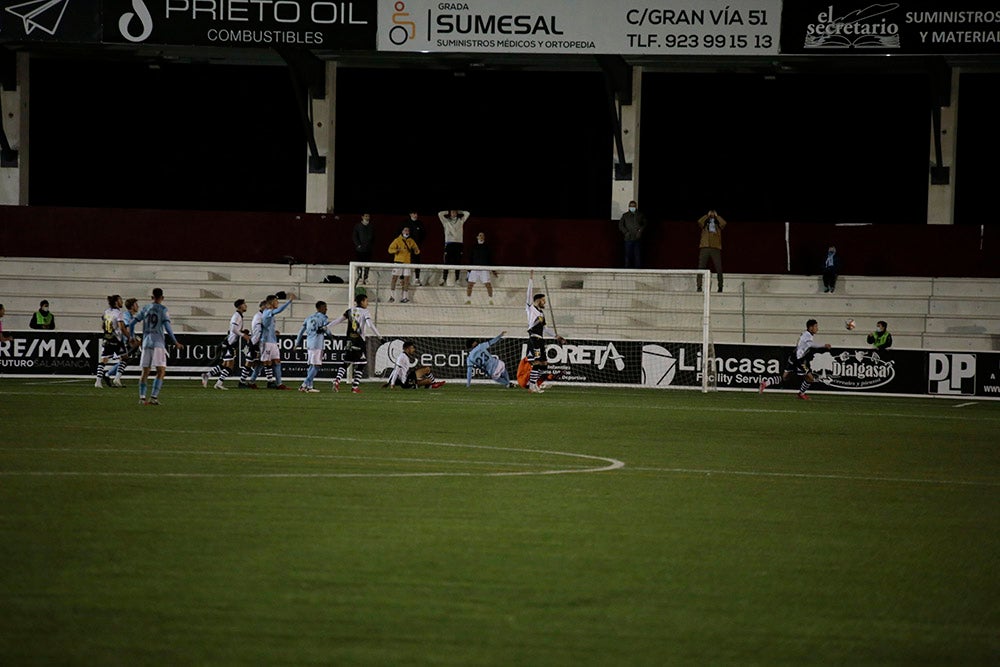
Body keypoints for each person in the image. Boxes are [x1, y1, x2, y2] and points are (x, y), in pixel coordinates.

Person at [129, 287, 184, 405]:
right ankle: (154, 397)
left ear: (152, 297)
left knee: (145, 371)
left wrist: (132, 337)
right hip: (158, 342)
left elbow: (132, 324)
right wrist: (175, 341)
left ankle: (142, 397)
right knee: (161, 370)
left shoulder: (145, 308)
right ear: (162, 297)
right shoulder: (163, 309)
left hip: (146, 343)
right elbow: (167, 327)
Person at [759, 319, 831, 400]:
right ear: (810, 327)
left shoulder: (806, 334)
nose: (817, 328)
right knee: (810, 378)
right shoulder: (807, 335)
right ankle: (801, 394)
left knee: (785, 377)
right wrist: (824, 345)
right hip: (799, 359)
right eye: (816, 326)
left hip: (794, 357)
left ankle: (765, 383)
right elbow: (811, 345)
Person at [328, 292, 381, 394]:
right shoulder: (365, 312)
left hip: (349, 341)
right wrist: (380, 337)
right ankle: (355, 387)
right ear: (361, 302)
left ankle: (337, 380)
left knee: (347, 361)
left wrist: (327, 327)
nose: (367, 303)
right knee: (362, 363)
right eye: (366, 301)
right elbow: (370, 325)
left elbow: (338, 320)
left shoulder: (349, 311)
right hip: (359, 341)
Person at [525, 270, 567, 394]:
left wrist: (556, 336)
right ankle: (532, 385)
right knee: (537, 362)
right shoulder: (531, 309)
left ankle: (533, 384)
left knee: (544, 363)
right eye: (543, 300)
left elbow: (545, 328)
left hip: (541, 339)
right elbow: (528, 295)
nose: (544, 302)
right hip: (534, 339)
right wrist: (531, 279)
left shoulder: (542, 314)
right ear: (538, 300)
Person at [202, 299, 250, 390]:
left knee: (225, 364)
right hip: (230, 344)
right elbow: (233, 329)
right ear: (240, 306)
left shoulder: (238, 316)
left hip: (230, 343)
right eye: (244, 304)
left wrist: (242, 332)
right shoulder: (237, 316)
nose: (246, 306)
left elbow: (235, 330)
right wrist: (243, 335)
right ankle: (218, 383)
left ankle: (207, 375)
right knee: (230, 365)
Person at [260, 292, 296, 389]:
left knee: (277, 361)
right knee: (266, 362)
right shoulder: (268, 312)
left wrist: (273, 331)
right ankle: (269, 382)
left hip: (272, 341)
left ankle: (279, 383)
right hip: (266, 341)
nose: (277, 303)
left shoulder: (269, 313)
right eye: (276, 301)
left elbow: (267, 326)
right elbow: (279, 310)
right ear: (271, 302)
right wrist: (289, 301)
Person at [293, 300, 331, 393]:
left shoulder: (309, 318)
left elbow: (301, 331)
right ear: (320, 308)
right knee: (316, 366)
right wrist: (332, 337)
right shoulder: (323, 318)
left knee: (311, 365)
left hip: (309, 344)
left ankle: (309, 386)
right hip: (317, 344)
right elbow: (326, 330)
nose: (326, 309)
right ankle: (304, 384)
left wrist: (297, 343)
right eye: (325, 307)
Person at [96, 295, 129, 388]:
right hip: (116, 339)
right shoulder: (118, 313)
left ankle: (98, 381)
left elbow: (103, 324)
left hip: (107, 337)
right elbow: (122, 327)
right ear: (116, 302)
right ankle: (117, 379)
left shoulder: (106, 312)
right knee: (125, 358)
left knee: (104, 359)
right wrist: (129, 337)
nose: (122, 302)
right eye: (120, 300)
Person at [109, 298, 140, 385]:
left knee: (125, 359)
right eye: (136, 304)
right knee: (125, 359)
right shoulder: (126, 315)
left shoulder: (130, 316)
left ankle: (110, 375)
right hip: (122, 340)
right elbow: (124, 328)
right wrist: (131, 338)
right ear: (132, 306)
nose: (138, 306)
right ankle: (113, 377)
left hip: (124, 340)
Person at [696, 209, 727, 293]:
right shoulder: (705, 225)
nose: (712, 217)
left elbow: (724, 223)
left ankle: (720, 286)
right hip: (705, 247)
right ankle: (699, 286)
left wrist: (717, 216)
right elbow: (699, 221)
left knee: (719, 268)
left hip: (715, 248)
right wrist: (707, 215)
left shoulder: (718, 226)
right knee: (701, 268)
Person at [239, 299, 267, 389]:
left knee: (260, 362)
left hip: (256, 341)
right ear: (263, 306)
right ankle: (242, 381)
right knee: (249, 362)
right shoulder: (259, 317)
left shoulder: (260, 316)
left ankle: (250, 381)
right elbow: (258, 331)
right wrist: (255, 343)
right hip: (255, 342)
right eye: (267, 306)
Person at [388, 226, 420, 303]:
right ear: (402, 231)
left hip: (407, 263)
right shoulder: (397, 240)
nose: (407, 232)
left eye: (408, 230)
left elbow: (417, 250)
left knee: (406, 280)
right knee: (394, 279)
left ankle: (404, 297)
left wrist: (416, 250)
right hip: (398, 262)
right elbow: (390, 250)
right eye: (405, 230)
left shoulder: (411, 241)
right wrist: (396, 250)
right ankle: (392, 296)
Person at [438, 209, 470, 286]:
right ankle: (444, 279)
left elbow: (467, 213)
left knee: (458, 262)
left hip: (458, 244)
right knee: (446, 262)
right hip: (449, 244)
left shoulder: (460, 220)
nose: (453, 213)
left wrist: (459, 212)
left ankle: (457, 279)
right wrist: (448, 212)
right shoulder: (446, 221)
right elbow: (440, 214)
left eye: (455, 212)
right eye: (452, 212)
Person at [465, 231, 498, 305]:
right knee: (470, 284)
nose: (481, 237)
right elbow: (470, 259)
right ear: (477, 237)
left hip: (484, 269)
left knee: (488, 285)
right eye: (480, 235)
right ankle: (468, 300)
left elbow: (490, 260)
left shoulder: (487, 247)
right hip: (474, 268)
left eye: (483, 235)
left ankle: (490, 300)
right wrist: (468, 271)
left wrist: (493, 270)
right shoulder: (473, 247)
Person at [618, 200, 647, 269]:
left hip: (637, 238)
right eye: (631, 206)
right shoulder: (625, 215)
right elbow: (620, 225)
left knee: (637, 255)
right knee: (628, 255)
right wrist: (626, 232)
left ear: (636, 206)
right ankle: (627, 268)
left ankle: (638, 269)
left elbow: (645, 223)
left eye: (633, 206)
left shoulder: (640, 215)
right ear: (629, 207)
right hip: (628, 238)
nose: (632, 207)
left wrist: (640, 231)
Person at [402, 211, 427, 286]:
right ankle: (402, 279)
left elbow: (423, 234)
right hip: (406, 248)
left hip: (416, 247)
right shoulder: (405, 223)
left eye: (416, 213)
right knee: (405, 262)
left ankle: (417, 279)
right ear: (410, 214)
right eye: (413, 213)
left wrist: (418, 244)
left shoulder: (420, 224)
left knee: (417, 262)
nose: (415, 215)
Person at [352, 213, 374, 285]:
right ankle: (360, 277)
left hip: (368, 249)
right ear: (362, 217)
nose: (367, 217)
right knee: (359, 264)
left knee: (367, 264)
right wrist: (358, 245)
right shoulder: (358, 226)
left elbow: (373, 237)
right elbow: (355, 236)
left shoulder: (371, 226)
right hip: (360, 249)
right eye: (366, 216)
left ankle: (366, 278)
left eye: (368, 216)